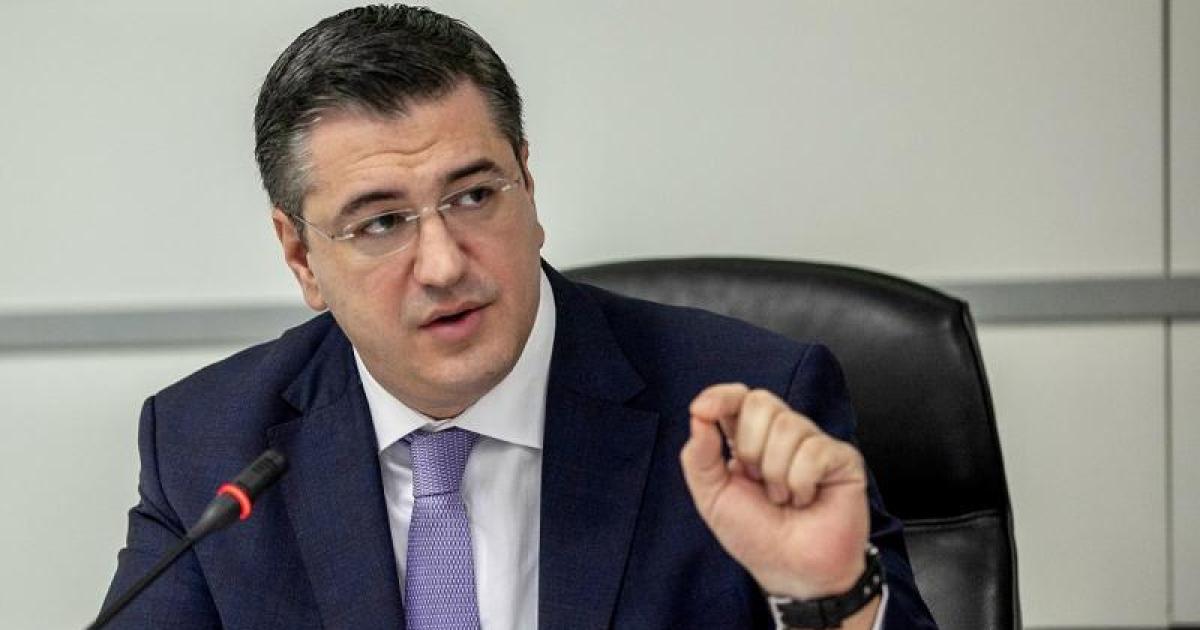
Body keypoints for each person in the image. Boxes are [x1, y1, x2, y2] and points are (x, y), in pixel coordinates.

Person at [101, 5, 936, 629]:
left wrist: (832, 601)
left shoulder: (744, 406)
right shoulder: (210, 447)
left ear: (528, 188)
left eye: (473, 196)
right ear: (301, 257)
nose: (444, 264)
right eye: (382, 222)